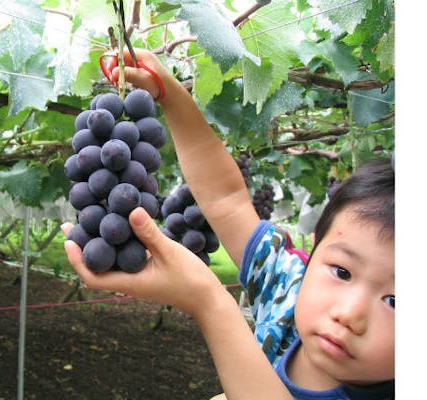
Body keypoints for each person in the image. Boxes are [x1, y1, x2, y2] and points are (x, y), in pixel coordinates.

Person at [61, 48, 395, 399]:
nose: (350, 314)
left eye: (396, 301)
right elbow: (226, 200)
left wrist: (208, 300)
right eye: (342, 272)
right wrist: (171, 96)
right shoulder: (286, 289)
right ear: (313, 249)